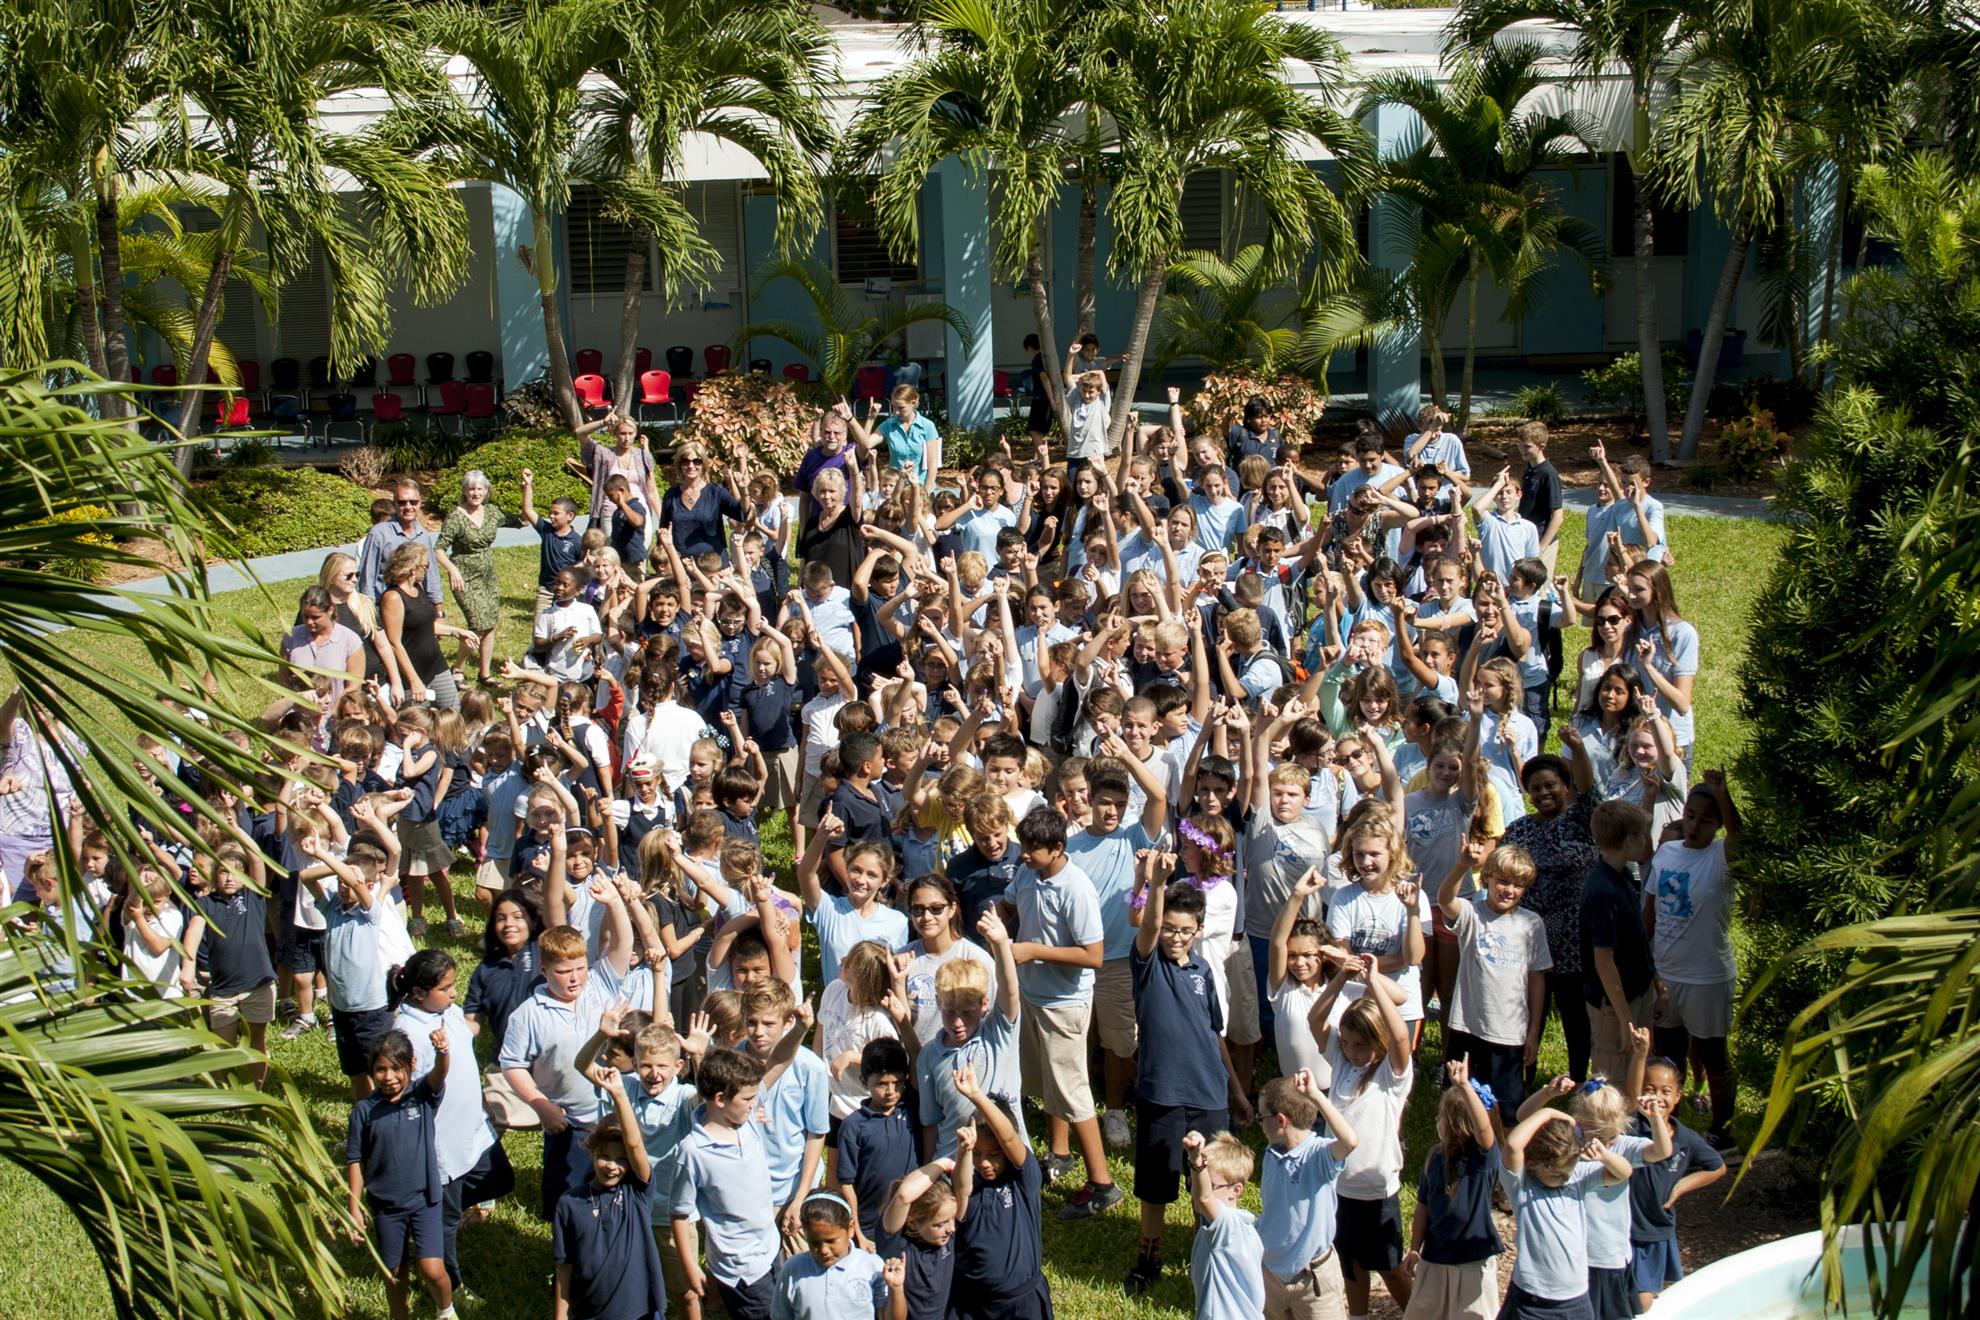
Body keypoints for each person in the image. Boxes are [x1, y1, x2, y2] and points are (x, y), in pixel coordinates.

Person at [1122, 868, 1249, 1295]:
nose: (1175, 937)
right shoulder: (1148, 963)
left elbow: (1215, 1035)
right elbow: (1148, 928)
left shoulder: (1203, 971)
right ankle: (1148, 1256)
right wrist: (1156, 884)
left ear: (1199, 930)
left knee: (1210, 1180)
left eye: (1185, 931)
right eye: (1169, 929)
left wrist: (1236, 1090)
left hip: (1209, 1095)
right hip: (1161, 1094)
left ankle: (1208, 1250)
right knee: (1155, 1185)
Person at [672, 1012, 815, 1320]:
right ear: (720, 1099)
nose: (756, 1103)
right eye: (749, 1099)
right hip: (740, 1271)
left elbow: (779, 1060)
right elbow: (680, 1213)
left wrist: (801, 1029)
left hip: (770, 1249)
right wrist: (690, 1267)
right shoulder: (693, 1151)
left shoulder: (744, 1119)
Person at [391, 950, 512, 1293]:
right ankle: (451, 1286)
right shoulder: (407, 1034)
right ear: (418, 993)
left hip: (474, 1127)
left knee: (500, 1179)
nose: (454, 993)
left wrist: (482, 1101)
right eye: (445, 988)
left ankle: (431, 1215)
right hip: (442, 1143)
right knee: (443, 1228)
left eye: (454, 985)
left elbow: (465, 1056)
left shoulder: (448, 1011)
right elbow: (405, 1093)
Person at [1645, 770, 1741, 1148]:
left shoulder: (1721, 856)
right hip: (1666, 973)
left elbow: (1740, 837)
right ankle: (1671, 1126)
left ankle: (1722, 1131)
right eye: (1690, 815)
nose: (1695, 825)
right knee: (1669, 1053)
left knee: (1711, 1054)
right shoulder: (1667, 852)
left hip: (1706, 976)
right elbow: (1650, 913)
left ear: (1718, 824)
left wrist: (1724, 795)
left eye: (1706, 820)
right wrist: (1645, 963)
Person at [1503, 753, 1601, 1085]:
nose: (1543, 793)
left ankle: (1577, 1081)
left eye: (1550, 785)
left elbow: (1588, 791)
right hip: (1529, 940)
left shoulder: (1583, 821)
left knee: (1576, 1017)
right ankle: (1522, 1081)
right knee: (1528, 1015)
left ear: (1565, 785)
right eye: (1535, 788)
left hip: (1573, 942)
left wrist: (1577, 747)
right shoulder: (1519, 830)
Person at [345, 1028, 455, 1320]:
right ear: (371, 1071)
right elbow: (355, 1159)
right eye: (381, 1069)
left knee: (432, 1269)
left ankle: (446, 1310)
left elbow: (440, 1074)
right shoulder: (364, 1111)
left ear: (412, 1065)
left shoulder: (421, 1096)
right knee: (394, 1271)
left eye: (396, 1068)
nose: (389, 1076)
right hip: (386, 1206)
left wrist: (443, 1052)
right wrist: (353, 1206)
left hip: (424, 1200)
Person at [1436, 836, 1550, 1116]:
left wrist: (1533, 1033)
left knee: (1507, 1111)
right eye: (1503, 881)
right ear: (1486, 877)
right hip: (1467, 1027)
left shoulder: (1532, 923)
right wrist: (1462, 865)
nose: (1509, 890)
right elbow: (1445, 899)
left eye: (1518, 885)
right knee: (1458, 1106)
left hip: (1510, 1033)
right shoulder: (1472, 914)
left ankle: (1500, 1145)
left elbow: (1537, 980)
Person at [553, 1063, 666, 1320]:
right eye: (604, 1156)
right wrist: (561, 1315)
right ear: (592, 1151)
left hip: (640, 1313)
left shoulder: (636, 1192)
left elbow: (635, 1145)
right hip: (589, 1313)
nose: (612, 1166)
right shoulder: (569, 1203)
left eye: (621, 1160)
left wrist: (619, 1095)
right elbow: (564, 1266)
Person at [1498, 1107, 1633, 1319]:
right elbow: (1513, 1145)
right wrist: (1548, 1113)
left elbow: (1624, 1172)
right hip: (1533, 1300)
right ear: (1535, 1164)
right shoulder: (1522, 1184)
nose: (1564, 1178)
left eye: (1567, 1173)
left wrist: (1605, 1156)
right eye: (1557, 1174)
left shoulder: (1577, 1178)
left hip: (1576, 1299)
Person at [950, 1062, 1053, 1320]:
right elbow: (961, 1192)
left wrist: (977, 1096)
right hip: (975, 1303)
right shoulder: (968, 1185)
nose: (985, 1162)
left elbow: (1008, 1138)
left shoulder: (1023, 1180)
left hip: (1023, 1301)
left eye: (994, 1154)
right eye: (978, 1154)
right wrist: (964, 1151)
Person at [1401, 1057, 1502, 1319]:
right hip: (1435, 1257)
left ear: (1458, 1125)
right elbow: (1423, 1205)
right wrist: (1415, 1247)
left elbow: (1484, 1130)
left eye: (1442, 1117)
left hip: (1472, 1261)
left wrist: (1465, 1087)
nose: (1438, 1121)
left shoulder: (1481, 1160)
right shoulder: (1434, 1158)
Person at [1256, 1069, 1359, 1320]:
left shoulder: (1318, 1155)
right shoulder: (1271, 1152)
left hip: (1313, 1279)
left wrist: (1316, 1096)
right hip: (1271, 1275)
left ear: (1281, 1121)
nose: (1259, 1122)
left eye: (1261, 1117)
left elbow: (1349, 1141)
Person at [1628, 1053, 1727, 1312]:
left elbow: (1717, 1167)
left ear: (1678, 1096)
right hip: (1622, 1226)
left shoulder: (1686, 1139)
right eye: (1650, 1090)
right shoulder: (1632, 1128)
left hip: (1654, 1229)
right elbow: (1630, 1095)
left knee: (1642, 1302)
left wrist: (1682, 1186)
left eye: (1665, 1091)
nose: (1657, 1097)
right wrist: (1640, 1053)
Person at [1582, 801, 1657, 1082]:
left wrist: (1656, 983)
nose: (1646, 841)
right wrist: (1625, 1020)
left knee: (1639, 1074)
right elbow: (1604, 961)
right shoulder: (1602, 890)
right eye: (1642, 835)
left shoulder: (1623, 874)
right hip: (1614, 1006)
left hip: (1638, 992)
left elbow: (1637, 939)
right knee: (1613, 1083)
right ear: (1628, 840)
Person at [770, 1192, 905, 1319]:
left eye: (830, 1241)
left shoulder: (871, 1265)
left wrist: (896, 1288)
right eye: (814, 1242)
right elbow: (781, 1316)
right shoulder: (793, 1269)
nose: (823, 1250)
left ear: (850, 1228)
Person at [1184, 1129, 1265, 1320]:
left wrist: (1197, 1161)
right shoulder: (1242, 1227)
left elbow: (1204, 1198)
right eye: (1194, 1183)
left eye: (1210, 1185)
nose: (1197, 1190)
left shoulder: (1228, 1226)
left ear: (1236, 1191)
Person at [381, 541, 470, 710]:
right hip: (413, 673)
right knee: (420, 722)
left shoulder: (418, 587)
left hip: (437, 666)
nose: (427, 569)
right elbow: (394, 643)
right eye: (425, 565)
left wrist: (455, 631)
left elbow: (425, 625)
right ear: (412, 568)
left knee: (453, 715)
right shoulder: (393, 597)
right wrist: (414, 680)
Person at [435, 469, 503, 685]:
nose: (476, 493)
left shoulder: (492, 512)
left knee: (490, 624)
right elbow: (439, 549)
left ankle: (485, 674)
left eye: (480, 489)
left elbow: (522, 519)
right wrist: (452, 569)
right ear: (464, 491)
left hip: (488, 577)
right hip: (464, 577)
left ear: (486, 491)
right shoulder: (456, 516)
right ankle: (458, 668)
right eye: (471, 489)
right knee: (477, 623)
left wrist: (526, 488)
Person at [356, 476, 442, 605]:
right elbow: (367, 578)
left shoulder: (423, 536)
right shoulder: (379, 534)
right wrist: (370, 611)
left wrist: (438, 610)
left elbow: (431, 578)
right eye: (402, 502)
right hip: (384, 606)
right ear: (395, 504)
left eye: (413, 502)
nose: (408, 506)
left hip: (415, 606)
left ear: (420, 503)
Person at [578, 409, 662, 533]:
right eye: (622, 433)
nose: (626, 438)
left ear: (635, 433)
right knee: (613, 545)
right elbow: (580, 433)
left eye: (630, 433)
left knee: (641, 545)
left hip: (639, 510)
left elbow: (652, 491)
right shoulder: (604, 454)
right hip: (611, 511)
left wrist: (662, 518)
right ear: (615, 433)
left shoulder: (643, 456)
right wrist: (603, 422)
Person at [281, 585, 365, 708]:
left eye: (315, 617)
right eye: (305, 616)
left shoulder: (350, 640)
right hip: (299, 712)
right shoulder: (291, 638)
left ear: (330, 610)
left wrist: (333, 711)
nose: (309, 622)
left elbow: (353, 688)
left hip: (334, 713)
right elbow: (284, 679)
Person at [661, 443, 746, 562]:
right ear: (679, 465)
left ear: (703, 464)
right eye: (685, 461)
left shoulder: (716, 492)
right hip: (683, 565)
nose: (691, 466)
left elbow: (743, 514)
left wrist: (744, 490)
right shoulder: (671, 495)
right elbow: (663, 531)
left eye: (697, 461)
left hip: (714, 566)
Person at [519, 468, 585, 614]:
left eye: (556, 513)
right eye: (550, 513)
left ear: (570, 516)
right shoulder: (546, 530)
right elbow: (528, 510)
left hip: (567, 591)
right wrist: (528, 485)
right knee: (539, 625)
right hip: (546, 590)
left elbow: (583, 564)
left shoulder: (577, 541)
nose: (551, 516)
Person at [850, 384, 941, 488]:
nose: (896, 412)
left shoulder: (927, 426)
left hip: (921, 486)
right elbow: (866, 444)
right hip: (896, 488)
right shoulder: (888, 425)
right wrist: (871, 418)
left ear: (913, 403)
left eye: (901, 408)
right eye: (894, 407)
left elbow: (932, 465)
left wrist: (926, 492)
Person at [797, 468, 867, 587]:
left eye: (832, 491)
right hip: (814, 592)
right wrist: (799, 586)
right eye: (822, 491)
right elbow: (804, 560)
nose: (826, 496)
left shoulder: (850, 517)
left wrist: (854, 470)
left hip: (844, 591)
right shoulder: (812, 522)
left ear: (841, 493)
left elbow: (856, 498)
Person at [1516, 422, 1565, 577]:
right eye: (1520, 445)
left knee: (1540, 587)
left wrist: (1541, 548)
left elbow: (1558, 516)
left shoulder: (1548, 474)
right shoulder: (1529, 470)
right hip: (1526, 538)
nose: (1522, 450)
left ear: (1541, 446)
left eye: (1527, 446)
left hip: (1542, 541)